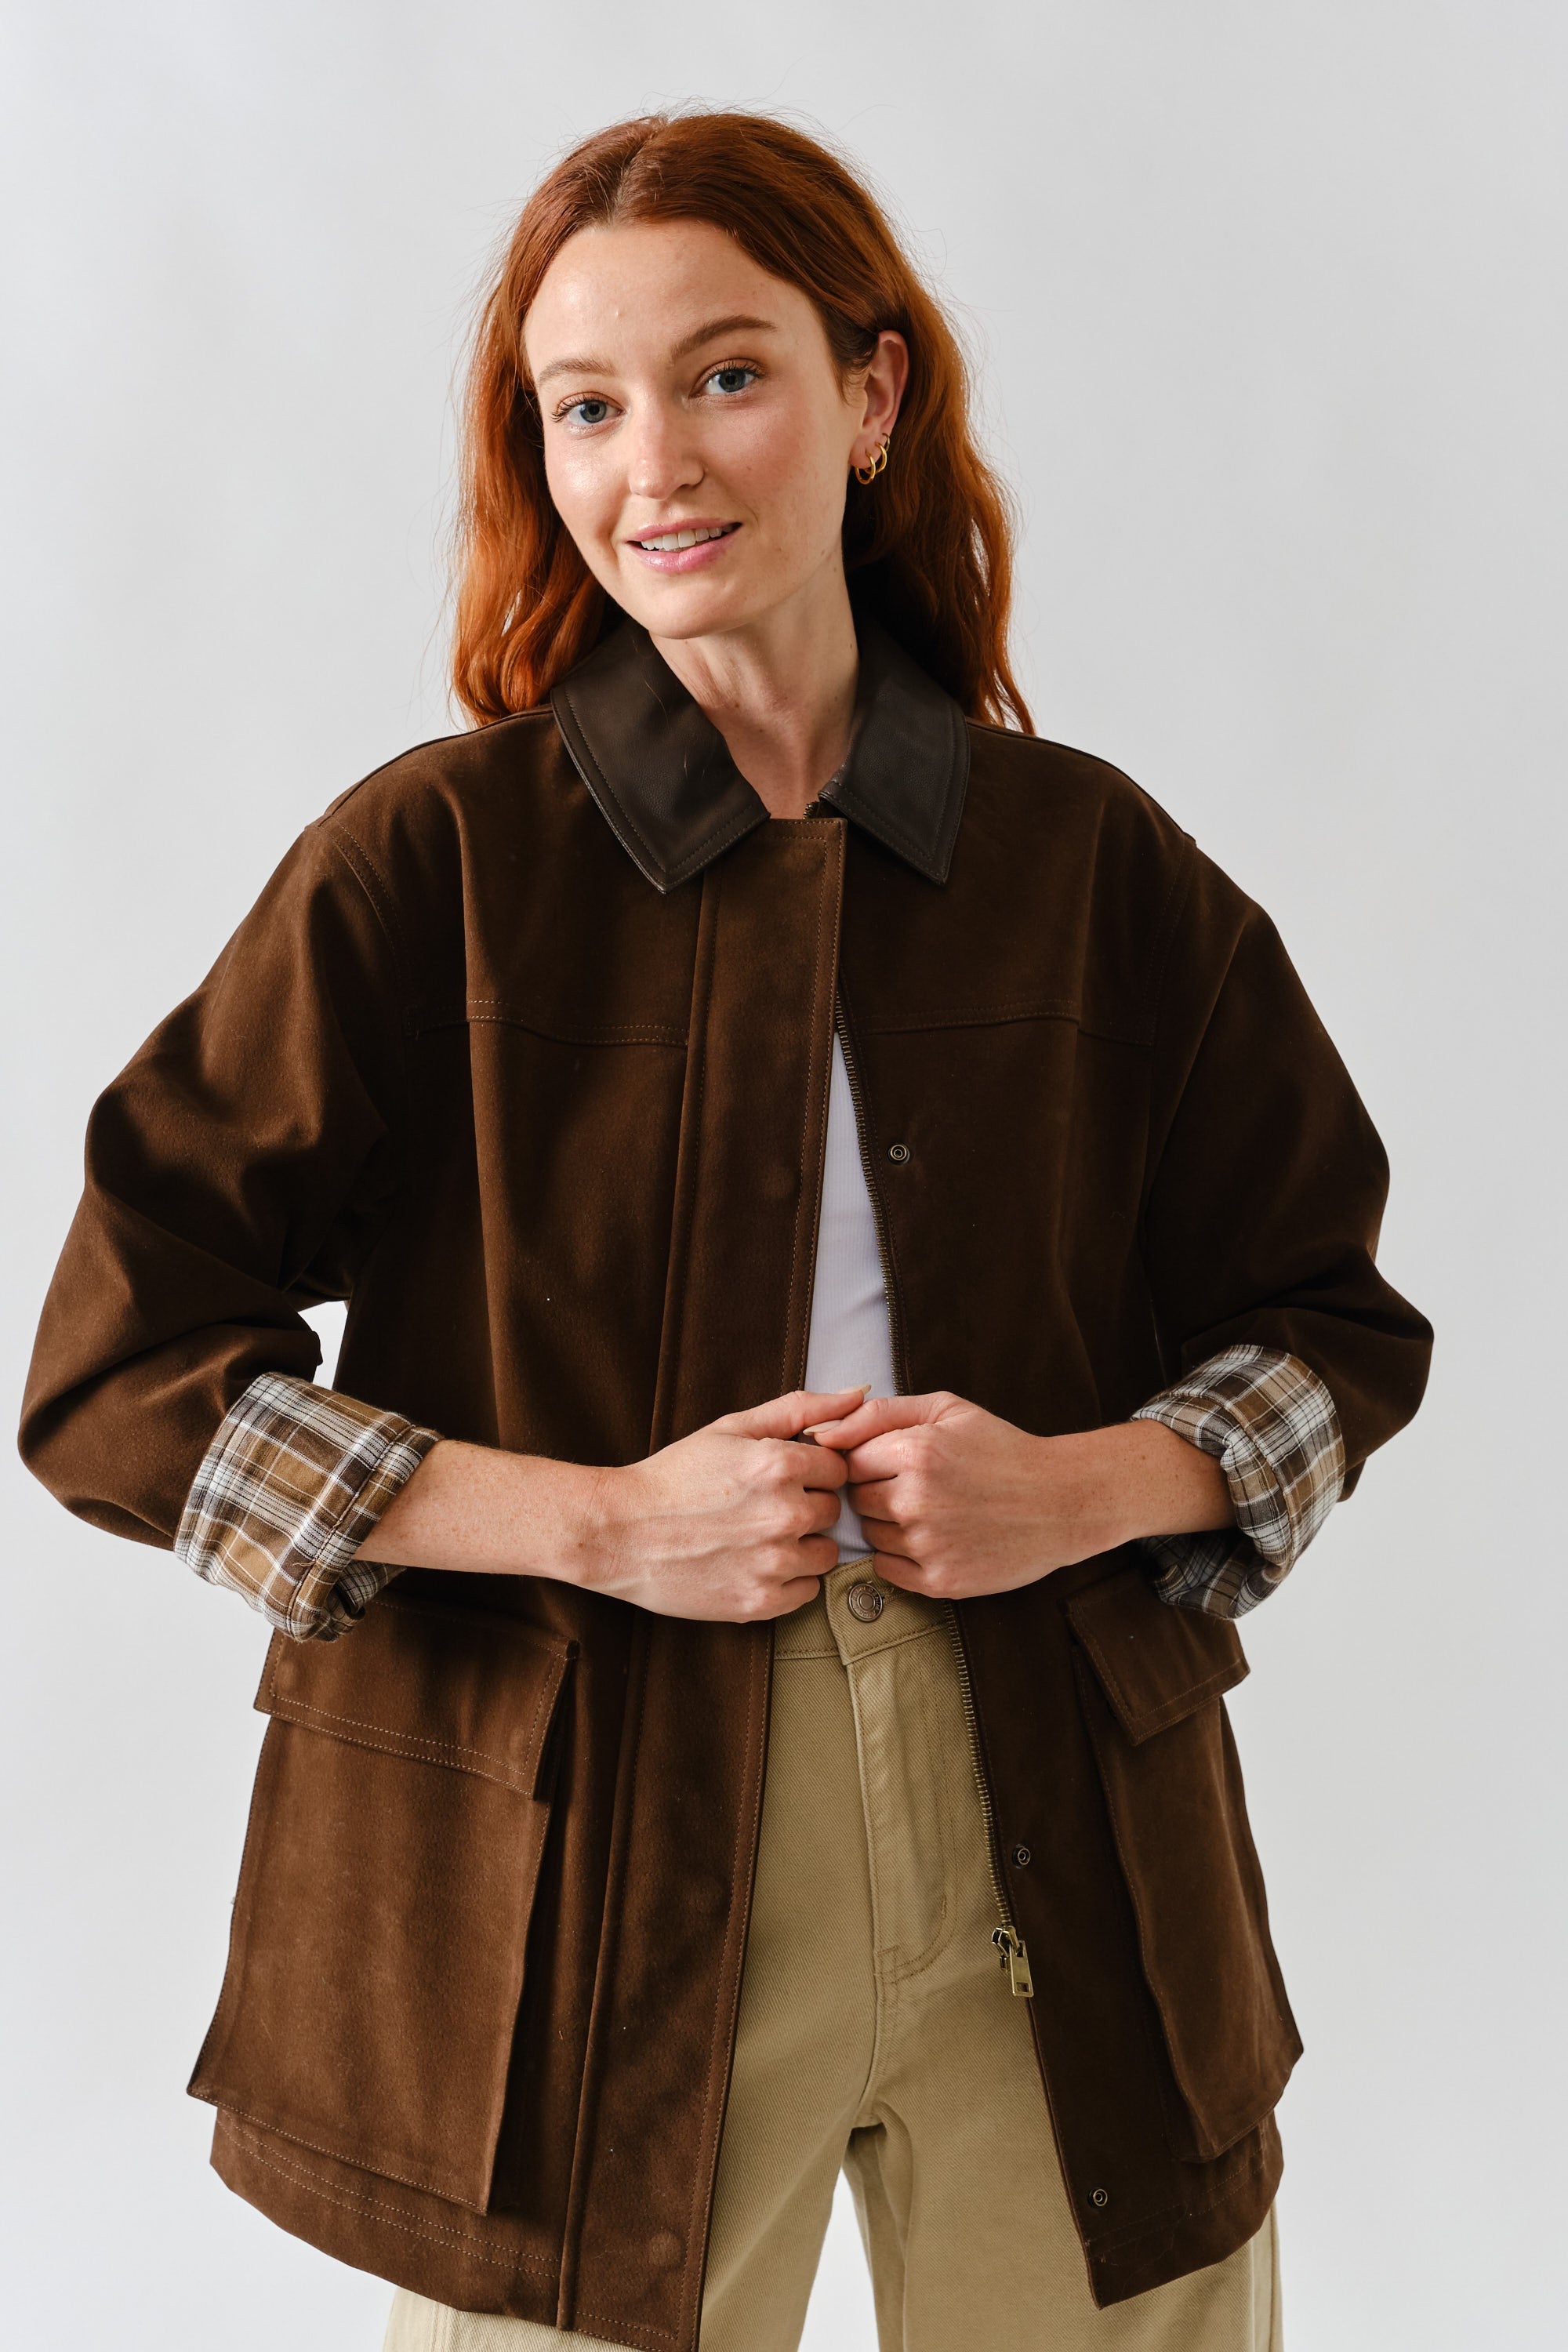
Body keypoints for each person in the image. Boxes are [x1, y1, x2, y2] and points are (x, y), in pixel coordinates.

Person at [20, 108, 1431, 2352]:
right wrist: (600, 1524)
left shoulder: (1090, 866)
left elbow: (1329, 1318)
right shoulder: (430, 870)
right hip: (586, 1846)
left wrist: (1082, 1489)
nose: (653, 462)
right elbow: (117, 1377)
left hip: (1059, 1823)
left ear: (872, 396)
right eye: (583, 406)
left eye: (726, 374)